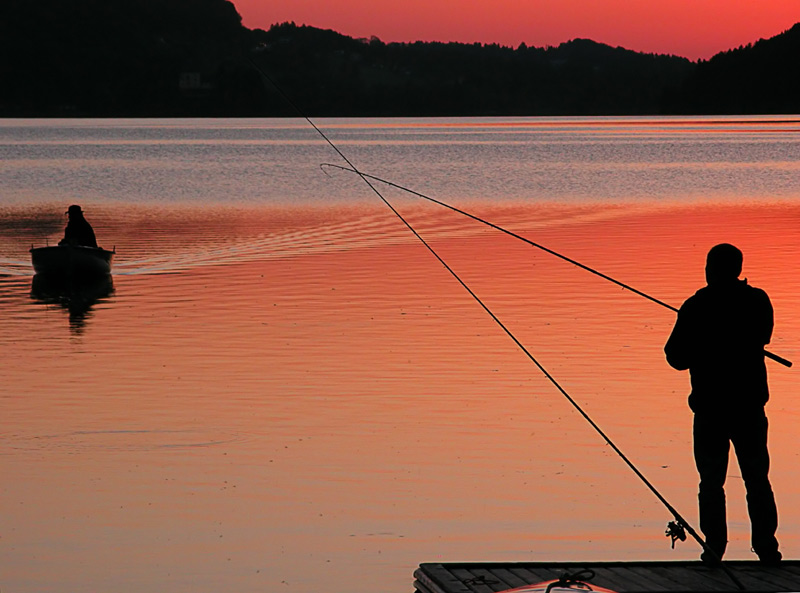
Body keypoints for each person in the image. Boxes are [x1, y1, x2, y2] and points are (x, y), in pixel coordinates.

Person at [665, 243, 781, 566]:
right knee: (757, 479)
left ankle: (714, 549)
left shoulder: (695, 307)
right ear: (738, 269)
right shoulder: (758, 301)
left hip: (711, 411)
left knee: (711, 482)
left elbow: (674, 356)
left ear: (710, 270)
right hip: (749, 409)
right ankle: (767, 549)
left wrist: (701, 345)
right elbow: (765, 334)